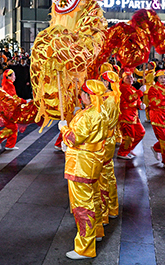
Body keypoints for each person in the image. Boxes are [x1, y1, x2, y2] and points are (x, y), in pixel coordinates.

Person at [58, 79, 107, 260]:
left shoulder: (88, 115)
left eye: (83, 93)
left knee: (82, 206)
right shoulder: (98, 111)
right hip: (92, 162)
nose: (81, 96)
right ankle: (98, 231)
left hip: (81, 165)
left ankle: (84, 248)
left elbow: (73, 138)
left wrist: (64, 130)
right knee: (94, 198)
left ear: (88, 96)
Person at [98, 70, 121, 228]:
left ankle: (104, 213)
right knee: (109, 173)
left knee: (103, 176)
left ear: (106, 83)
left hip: (104, 139)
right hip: (108, 137)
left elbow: (101, 121)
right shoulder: (112, 96)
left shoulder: (109, 99)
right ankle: (112, 207)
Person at [116, 69, 146, 160]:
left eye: (131, 77)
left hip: (134, 116)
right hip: (126, 116)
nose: (130, 79)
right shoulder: (122, 88)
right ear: (123, 78)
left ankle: (129, 148)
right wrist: (140, 92)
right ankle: (122, 152)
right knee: (129, 135)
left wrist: (141, 105)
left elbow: (136, 100)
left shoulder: (132, 88)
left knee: (141, 132)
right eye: (127, 77)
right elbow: (130, 98)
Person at [0, 69, 25, 150]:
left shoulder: (7, 84)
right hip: (7, 110)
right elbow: (14, 98)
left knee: (13, 126)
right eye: (13, 75)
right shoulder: (9, 85)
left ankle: (10, 145)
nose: (15, 77)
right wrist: (24, 101)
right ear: (9, 76)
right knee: (13, 126)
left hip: (7, 109)